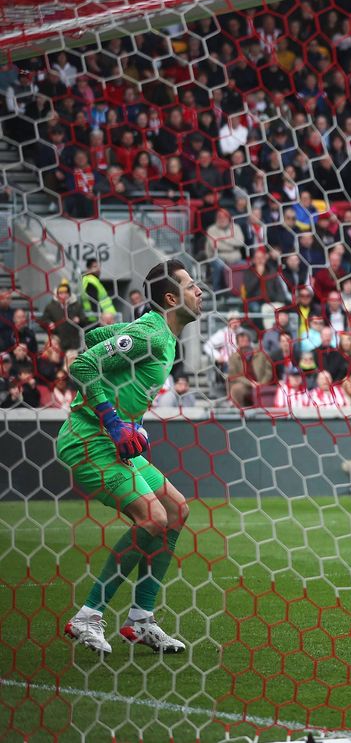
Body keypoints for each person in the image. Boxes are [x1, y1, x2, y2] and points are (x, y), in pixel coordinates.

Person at [60, 260, 202, 654]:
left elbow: (94, 337)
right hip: (88, 436)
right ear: (172, 298)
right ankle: (88, 616)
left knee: (175, 512)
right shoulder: (153, 337)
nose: (200, 292)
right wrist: (114, 420)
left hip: (114, 438)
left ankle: (141, 619)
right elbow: (84, 362)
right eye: (192, 286)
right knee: (152, 517)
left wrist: (128, 421)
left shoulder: (159, 333)